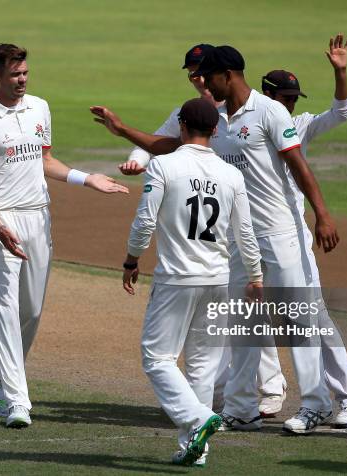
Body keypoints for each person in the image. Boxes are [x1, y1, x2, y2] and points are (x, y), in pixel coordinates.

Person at [91, 45, 339, 434]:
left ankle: (317, 403)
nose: (203, 83)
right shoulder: (217, 119)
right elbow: (170, 146)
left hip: (280, 231)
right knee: (243, 321)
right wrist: (122, 129)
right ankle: (241, 408)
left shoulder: (270, 111)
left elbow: (298, 164)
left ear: (228, 74)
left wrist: (322, 214)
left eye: (207, 76)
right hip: (240, 238)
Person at [0, 44, 128, 428]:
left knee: (31, 311)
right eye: (14, 74)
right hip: (2, 218)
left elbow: (45, 160)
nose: (21, 80)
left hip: (38, 218)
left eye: (25, 73)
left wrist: (88, 179)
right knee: (5, 309)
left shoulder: (40, 107)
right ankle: (17, 402)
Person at [233, 33, 347, 429]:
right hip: (257, 237)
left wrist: (340, 72)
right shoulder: (250, 121)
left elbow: (340, 112)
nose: (290, 105)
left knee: (310, 315)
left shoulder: (299, 125)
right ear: (268, 94)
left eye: (294, 99)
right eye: (285, 98)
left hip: (290, 235)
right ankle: (245, 401)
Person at [123, 97, 263, 466]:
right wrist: (256, 275)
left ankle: (199, 420)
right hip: (218, 278)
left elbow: (144, 222)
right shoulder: (232, 175)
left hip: (176, 280)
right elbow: (244, 233)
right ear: (215, 131)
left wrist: (131, 259)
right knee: (201, 366)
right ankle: (195, 448)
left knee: (157, 358)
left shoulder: (164, 166)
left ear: (182, 126)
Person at [121, 43, 222, 176]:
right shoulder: (186, 114)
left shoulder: (243, 109)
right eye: (194, 76)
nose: (202, 81)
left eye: (206, 73)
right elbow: (150, 144)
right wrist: (135, 161)